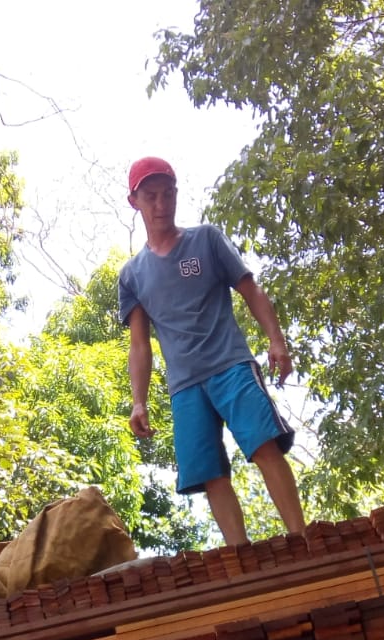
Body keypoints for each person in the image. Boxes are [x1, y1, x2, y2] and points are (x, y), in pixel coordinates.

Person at [118, 156, 307, 546]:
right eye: (150, 196)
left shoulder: (206, 239)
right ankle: (241, 557)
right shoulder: (132, 274)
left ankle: (302, 539)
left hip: (230, 365)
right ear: (134, 201)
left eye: (167, 194)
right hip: (185, 386)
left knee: (263, 445)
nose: (161, 205)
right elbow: (140, 344)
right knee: (210, 473)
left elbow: (250, 289)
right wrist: (138, 401)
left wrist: (277, 341)